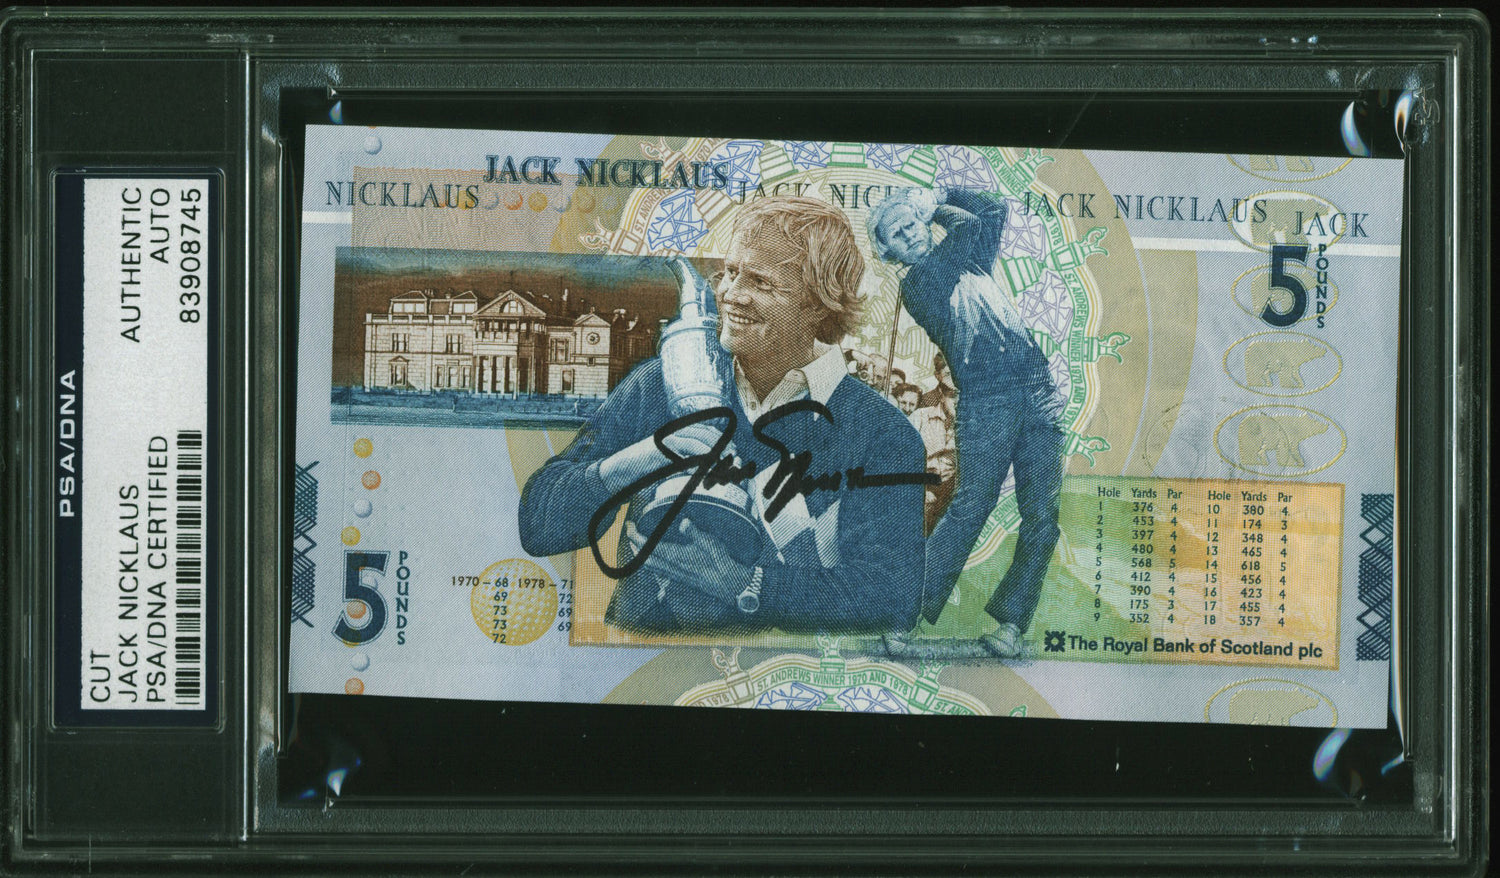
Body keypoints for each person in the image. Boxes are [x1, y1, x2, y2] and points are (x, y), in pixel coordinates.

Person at [519, 196, 928, 636]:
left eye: (761, 282)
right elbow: (539, 528)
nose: (731, 295)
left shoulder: (883, 434)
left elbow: (893, 599)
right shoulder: (662, 382)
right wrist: (636, 461)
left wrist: (746, 585)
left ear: (817, 304)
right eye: (731, 272)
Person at [868, 186, 1066, 658]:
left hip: (1037, 388)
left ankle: (1011, 626)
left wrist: (943, 192)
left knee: (1043, 516)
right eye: (897, 234)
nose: (909, 233)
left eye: (911, 223)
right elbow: (969, 225)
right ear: (890, 254)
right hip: (988, 397)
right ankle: (902, 615)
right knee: (971, 506)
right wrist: (933, 207)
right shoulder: (919, 283)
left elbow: (993, 208)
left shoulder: (971, 261)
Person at [908, 389, 957, 534]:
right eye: (953, 396)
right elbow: (902, 455)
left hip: (947, 492)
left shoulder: (966, 426)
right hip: (918, 485)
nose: (957, 401)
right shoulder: (920, 416)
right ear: (942, 396)